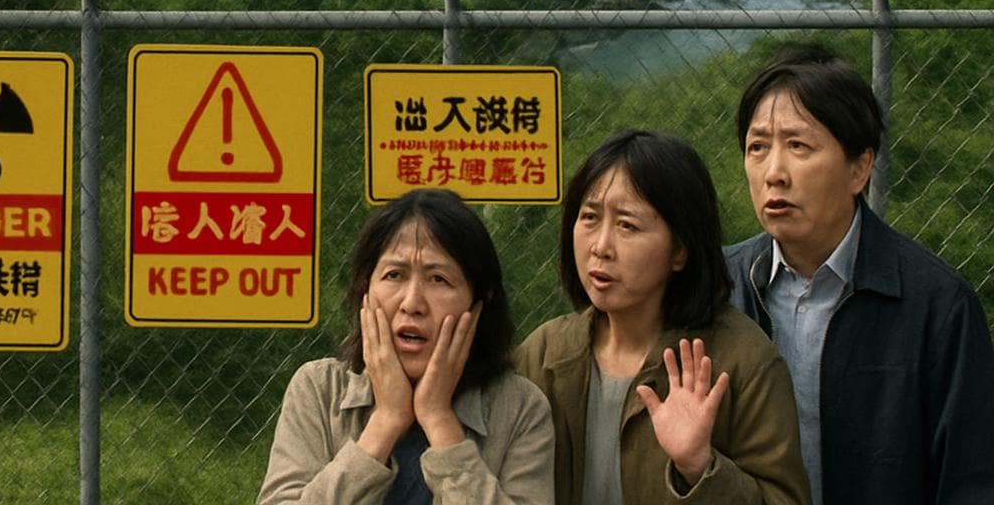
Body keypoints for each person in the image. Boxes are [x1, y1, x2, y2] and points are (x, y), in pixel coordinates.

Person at [726, 42, 994, 505]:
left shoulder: (937, 305)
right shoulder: (718, 286)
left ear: (860, 168)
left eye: (798, 146)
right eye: (757, 147)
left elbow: (970, 480)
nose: (774, 173)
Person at [517, 129, 808, 505]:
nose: (601, 246)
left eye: (627, 225)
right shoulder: (543, 355)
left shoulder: (741, 361)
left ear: (680, 251)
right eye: (589, 217)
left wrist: (699, 466)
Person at [258, 187, 554, 504]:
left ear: (479, 303)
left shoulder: (520, 408)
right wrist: (385, 422)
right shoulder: (319, 389)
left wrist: (440, 421)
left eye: (438, 279)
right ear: (365, 292)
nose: (412, 303)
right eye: (394, 274)